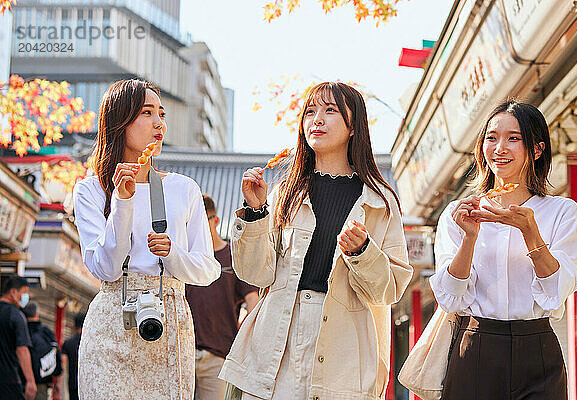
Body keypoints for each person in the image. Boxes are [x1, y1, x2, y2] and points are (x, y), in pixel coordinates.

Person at [219, 82, 413, 400]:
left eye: (330, 111)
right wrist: (256, 213)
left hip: (344, 343)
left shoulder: (380, 201)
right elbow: (257, 275)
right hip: (278, 338)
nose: (316, 119)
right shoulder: (286, 193)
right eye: (310, 111)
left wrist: (363, 252)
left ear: (354, 127)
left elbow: (388, 290)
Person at [73, 79, 221, 399]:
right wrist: (122, 204)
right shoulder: (91, 190)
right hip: (112, 323)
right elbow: (108, 269)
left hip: (169, 324)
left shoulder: (184, 188)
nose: (159, 124)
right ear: (119, 120)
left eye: (162, 114)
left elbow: (209, 270)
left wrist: (172, 253)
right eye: (146, 113)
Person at [430, 101, 577, 400]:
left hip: (538, 349)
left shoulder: (562, 212)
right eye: (491, 138)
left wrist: (530, 231)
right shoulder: (460, 213)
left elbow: (558, 289)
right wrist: (469, 238)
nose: (500, 148)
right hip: (475, 347)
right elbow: (450, 296)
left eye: (513, 138)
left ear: (537, 149)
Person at [186, 194, 259, 400]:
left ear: (215, 220)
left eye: (202, 222)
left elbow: (253, 302)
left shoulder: (232, 257)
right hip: (182, 354)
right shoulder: (185, 258)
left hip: (218, 356)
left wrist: (244, 337)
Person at [0, 275, 36, 400]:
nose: (26, 297)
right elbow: (22, 350)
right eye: (24, 292)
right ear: (13, 292)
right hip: (8, 380)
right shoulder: (16, 315)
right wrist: (30, 381)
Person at [22, 301, 62, 400]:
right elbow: (56, 355)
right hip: (42, 385)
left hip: (21, 383)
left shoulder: (20, 331)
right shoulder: (46, 332)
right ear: (37, 314)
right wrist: (58, 382)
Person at [61, 312, 85, 400]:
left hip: (73, 383)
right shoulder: (91, 344)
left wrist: (58, 384)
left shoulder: (68, 343)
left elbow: (62, 365)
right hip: (87, 383)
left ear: (74, 326)